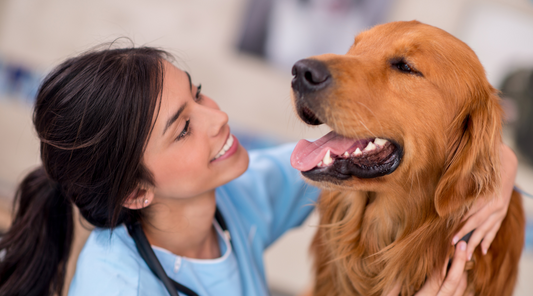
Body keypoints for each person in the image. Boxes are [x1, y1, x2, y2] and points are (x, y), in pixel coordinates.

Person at [0, 47, 518, 296]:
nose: (217, 116)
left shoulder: (232, 200)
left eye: (198, 92)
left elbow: (378, 159)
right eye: (183, 129)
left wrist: (497, 166)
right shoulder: (116, 288)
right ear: (137, 191)